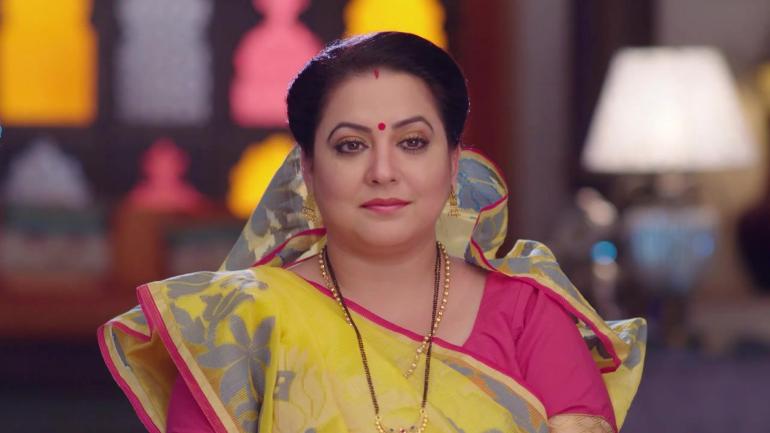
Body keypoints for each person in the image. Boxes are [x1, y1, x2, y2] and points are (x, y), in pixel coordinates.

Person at [98, 32, 646, 433]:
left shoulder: (529, 316)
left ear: (453, 163)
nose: (383, 171)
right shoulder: (239, 325)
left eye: (412, 143)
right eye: (351, 145)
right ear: (308, 169)